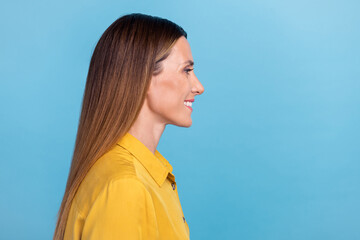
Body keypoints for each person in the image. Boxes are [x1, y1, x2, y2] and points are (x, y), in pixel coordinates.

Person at [53, 13, 205, 240]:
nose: (198, 86)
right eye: (186, 70)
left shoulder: (145, 174)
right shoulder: (126, 186)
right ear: (143, 77)